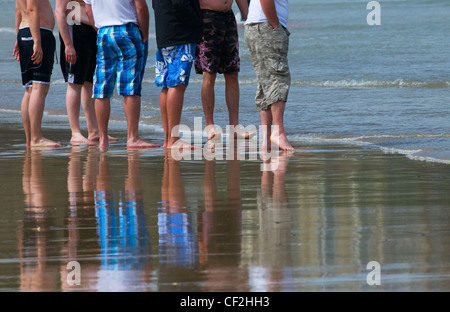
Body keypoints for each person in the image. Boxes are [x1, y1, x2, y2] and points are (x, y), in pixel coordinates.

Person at [84, 0, 159, 151]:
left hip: (103, 32)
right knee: (130, 84)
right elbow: (141, 7)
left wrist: (99, 29)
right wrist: (144, 33)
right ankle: (132, 137)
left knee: (102, 86)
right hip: (127, 29)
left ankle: (103, 138)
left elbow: (88, 10)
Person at [55, 0, 118, 145]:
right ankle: (75, 132)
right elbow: (60, 11)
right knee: (74, 82)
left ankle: (94, 131)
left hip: (91, 30)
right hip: (74, 27)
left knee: (89, 82)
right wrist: (68, 44)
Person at [195, 0, 253, 141]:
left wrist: (249, 20)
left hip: (228, 18)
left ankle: (235, 127)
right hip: (207, 18)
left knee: (232, 73)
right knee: (209, 73)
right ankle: (210, 125)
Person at [152, 0, 203, 149]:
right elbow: (180, 4)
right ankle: (173, 139)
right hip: (180, 34)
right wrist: (199, 24)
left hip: (165, 33)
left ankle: (168, 139)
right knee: (177, 84)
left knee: (167, 84)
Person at [244, 0, 294, 151]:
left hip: (258, 26)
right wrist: (276, 26)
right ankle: (278, 132)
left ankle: (266, 140)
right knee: (278, 77)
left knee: (265, 81)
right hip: (265, 26)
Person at [13, 0, 62, 148]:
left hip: (25, 32)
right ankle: (36, 138)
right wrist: (37, 42)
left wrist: (19, 37)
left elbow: (18, 11)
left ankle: (30, 139)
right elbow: (32, 10)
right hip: (38, 33)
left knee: (30, 89)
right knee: (38, 87)